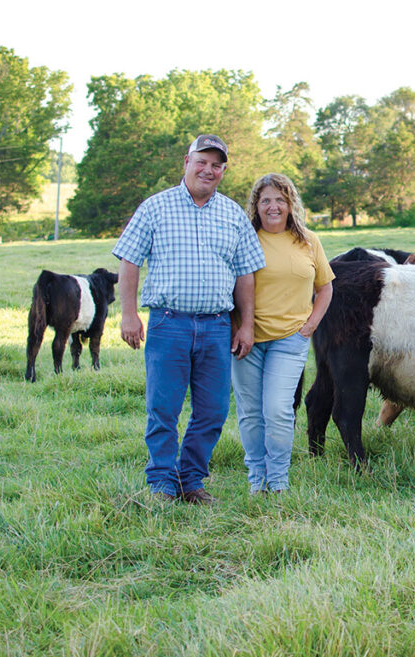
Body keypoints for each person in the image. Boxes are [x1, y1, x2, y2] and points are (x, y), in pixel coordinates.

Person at [113, 134, 266, 505]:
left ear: (223, 171)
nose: (208, 170)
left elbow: (246, 274)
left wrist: (245, 324)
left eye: (217, 165)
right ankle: (163, 484)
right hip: (169, 323)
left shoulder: (232, 215)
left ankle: (190, 480)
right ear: (186, 161)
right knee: (163, 408)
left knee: (213, 410)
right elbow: (129, 261)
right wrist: (128, 314)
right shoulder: (155, 208)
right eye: (202, 161)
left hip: (216, 326)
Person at [231, 173, 334, 495]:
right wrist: (236, 328)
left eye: (280, 200)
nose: (273, 206)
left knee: (277, 410)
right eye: (266, 201)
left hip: (290, 339)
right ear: (256, 206)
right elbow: (229, 287)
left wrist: (311, 325)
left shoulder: (308, 241)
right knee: (250, 412)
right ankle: (255, 480)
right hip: (247, 340)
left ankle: (277, 480)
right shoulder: (244, 238)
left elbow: (325, 286)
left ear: (290, 205)